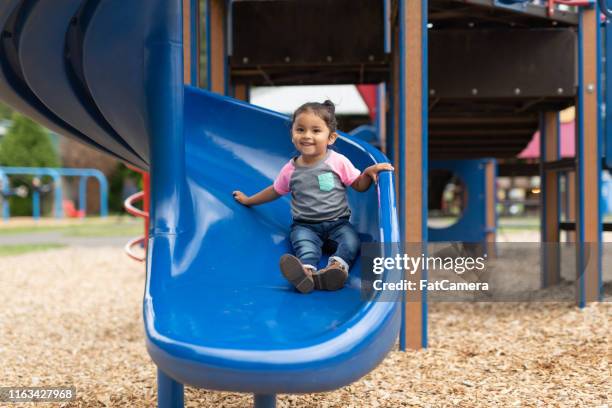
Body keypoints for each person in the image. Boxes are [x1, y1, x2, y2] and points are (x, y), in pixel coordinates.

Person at [233, 100, 393, 293]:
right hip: (305, 225)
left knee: (351, 242)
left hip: (338, 223)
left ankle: (336, 268)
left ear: (331, 137)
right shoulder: (290, 169)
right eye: (300, 129)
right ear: (292, 135)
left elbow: (358, 185)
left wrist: (367, 172)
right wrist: (248, 200)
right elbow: (275, 190)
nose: (307, 136)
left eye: (316, 131)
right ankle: (306, 274)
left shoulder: (337, 161)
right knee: (303, 245)